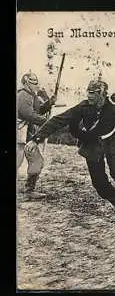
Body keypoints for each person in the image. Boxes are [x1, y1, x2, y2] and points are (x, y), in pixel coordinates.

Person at [25, 79, 115, 220]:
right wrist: (36, 139)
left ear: (102, 94)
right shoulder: (83, 107)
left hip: (111, 143)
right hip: (92, 145)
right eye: (88, 92)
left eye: (92, 93)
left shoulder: (114, 110)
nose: (88, 96)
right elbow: (58, 120)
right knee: (99, 182)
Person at [17, 72, 57, 200]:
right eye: (33, 82)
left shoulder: (31, 96)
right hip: (18, 134)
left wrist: (49, 103)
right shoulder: (22, 95)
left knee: (37, 161)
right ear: (26, 82)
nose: (36, 85)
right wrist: (46, 122)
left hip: (27, 134)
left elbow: (38, 110)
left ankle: (29, 190)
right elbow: (28, 114)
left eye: (36, 82)